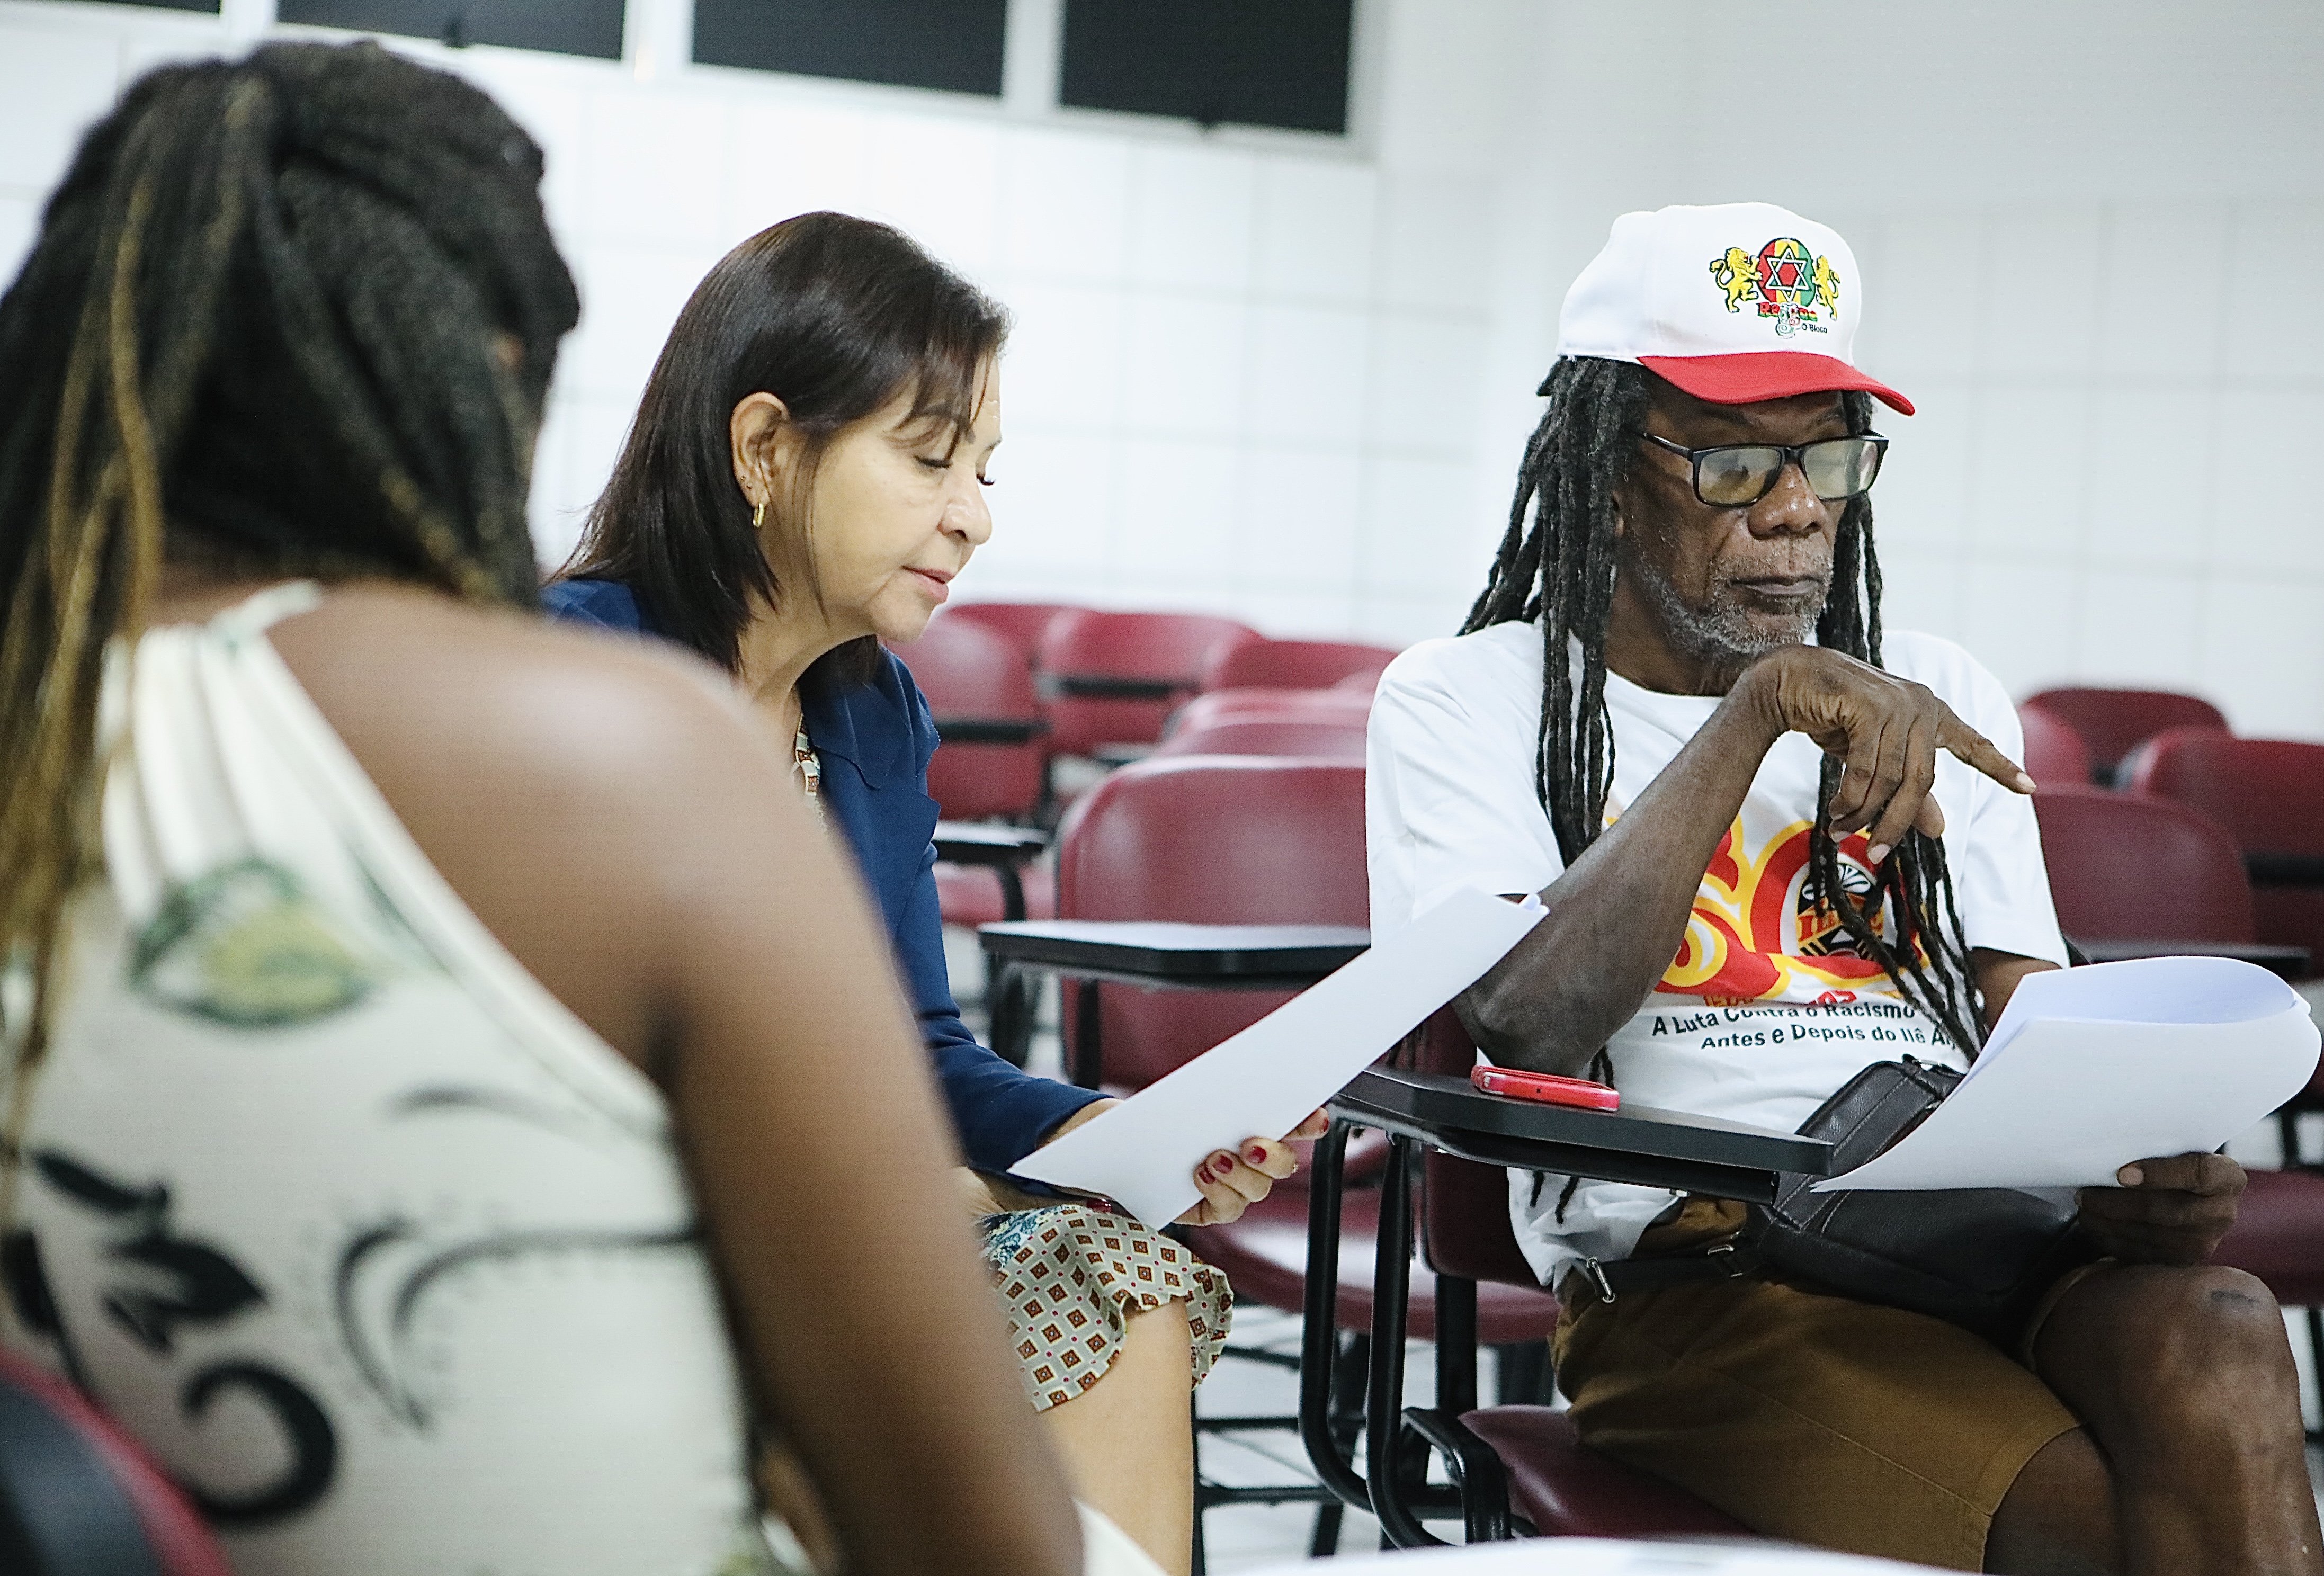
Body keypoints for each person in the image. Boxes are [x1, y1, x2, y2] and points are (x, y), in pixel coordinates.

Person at [0, 43, 1161, 1576]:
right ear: (477, 382)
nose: (973, 516)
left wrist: (1082, 1138)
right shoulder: (614, 748)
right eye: (934, 459)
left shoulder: (69, 729)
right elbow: (973, 1536)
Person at [1366, 202, 2322, 1575]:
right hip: (1700, 1283)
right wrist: (1754, 710)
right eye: (1733, 462)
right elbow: (1530, 1018)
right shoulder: (1467, 699)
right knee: (2118, 1533)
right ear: (1606, 472)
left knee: (2220, 1321)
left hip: (1976, 1240)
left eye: (1826, 453)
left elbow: (2028, 1013)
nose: (1798, 506)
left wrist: (2134, 1164)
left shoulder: (1936, 688)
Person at [543, 212, 1319, 1576]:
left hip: (820, 1240)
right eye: (927, 459)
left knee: (1120, 1278)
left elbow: (923, 1053)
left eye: (984, 470)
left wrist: (1112, 1139)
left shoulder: (874, 712)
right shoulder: (571, 678)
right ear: (764, 449)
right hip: (611, 1242)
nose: (974, 514)